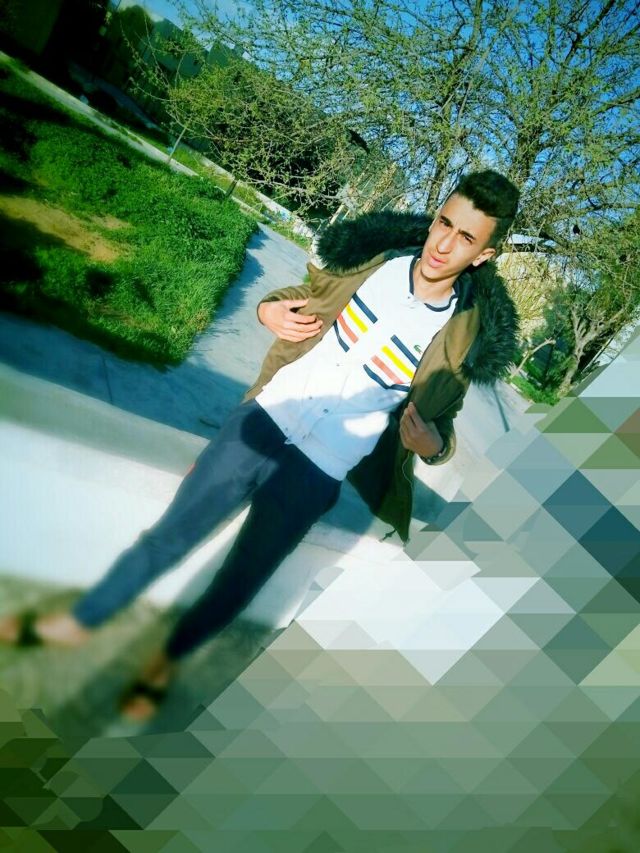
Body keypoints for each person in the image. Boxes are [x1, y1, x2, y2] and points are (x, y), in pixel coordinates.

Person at [0, 170, 520, 720]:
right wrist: (266, 308)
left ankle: (161, 666)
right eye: (444, 223)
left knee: (240, 579)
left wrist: (433, 447)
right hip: (265, 419)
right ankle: (78, 621)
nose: (443, 244)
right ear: (435, 216)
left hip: (320, 467)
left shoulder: (462, 340)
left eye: (466, 237)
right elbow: (302, 298)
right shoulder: (374, 262)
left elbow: (443, 424)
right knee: (169, 536)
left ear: (483, 255)